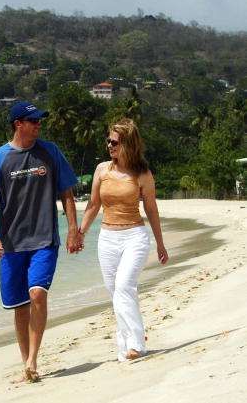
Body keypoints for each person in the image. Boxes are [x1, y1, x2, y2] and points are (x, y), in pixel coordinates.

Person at [0, 101, 82, 382]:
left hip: (44, 239)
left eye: (39, 120)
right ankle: (26, 361)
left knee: (37, 293)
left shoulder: (50, 152)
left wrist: (73, 229)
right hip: (12, 244)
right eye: (33, 120)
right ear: (18, 124)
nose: (39, 124)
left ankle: (34, 359)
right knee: (20, 306)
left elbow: (67, 193)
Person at [78, 117, 169, 362]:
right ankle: (125, 345)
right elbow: (93, 204)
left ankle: (137, 344)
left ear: (128, 144)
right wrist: (80, 233)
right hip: (107, 238)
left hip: (134, 237)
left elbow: (151, 209)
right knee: (115, 292)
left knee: (124, 287)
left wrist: (160, 244)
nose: (109, 145)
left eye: (115, 142)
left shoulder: (142, 174)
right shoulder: (101, 170)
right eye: (108, 141)